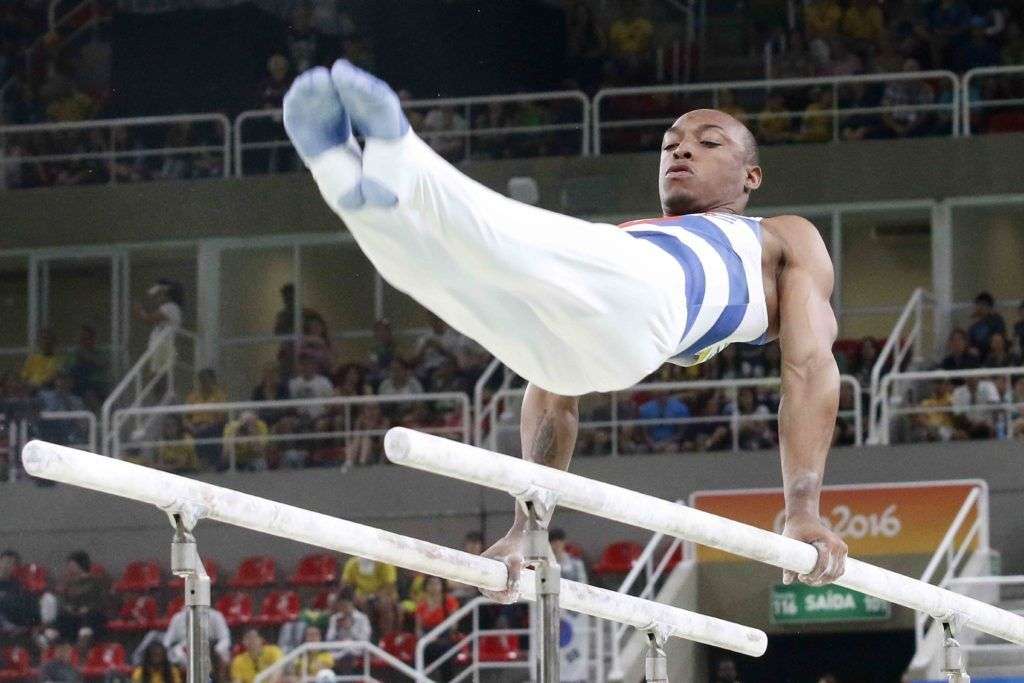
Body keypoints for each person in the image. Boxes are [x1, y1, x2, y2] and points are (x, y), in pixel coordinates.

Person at [283, 59, 849, 602]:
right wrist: (531, 527)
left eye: (708, 142)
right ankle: (343, 172)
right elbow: (553, 403)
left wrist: (802, 508)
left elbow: (809, 368)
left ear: (752, 176)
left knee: (510, 239)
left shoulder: (780, 235)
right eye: (670, 143)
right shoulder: (629, 235)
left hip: (653, 297)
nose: (681, 149)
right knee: (433, 279)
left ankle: (399, 150)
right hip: (607, 345)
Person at [135, 279, 183, 374]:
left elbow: (148, 319)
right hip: (162, 344)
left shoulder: (171, 307)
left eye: (162, 294)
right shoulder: (170, 307)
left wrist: (139, 309)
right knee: (157, 375)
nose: (159, 297)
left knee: (157, 375)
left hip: (164, 344)